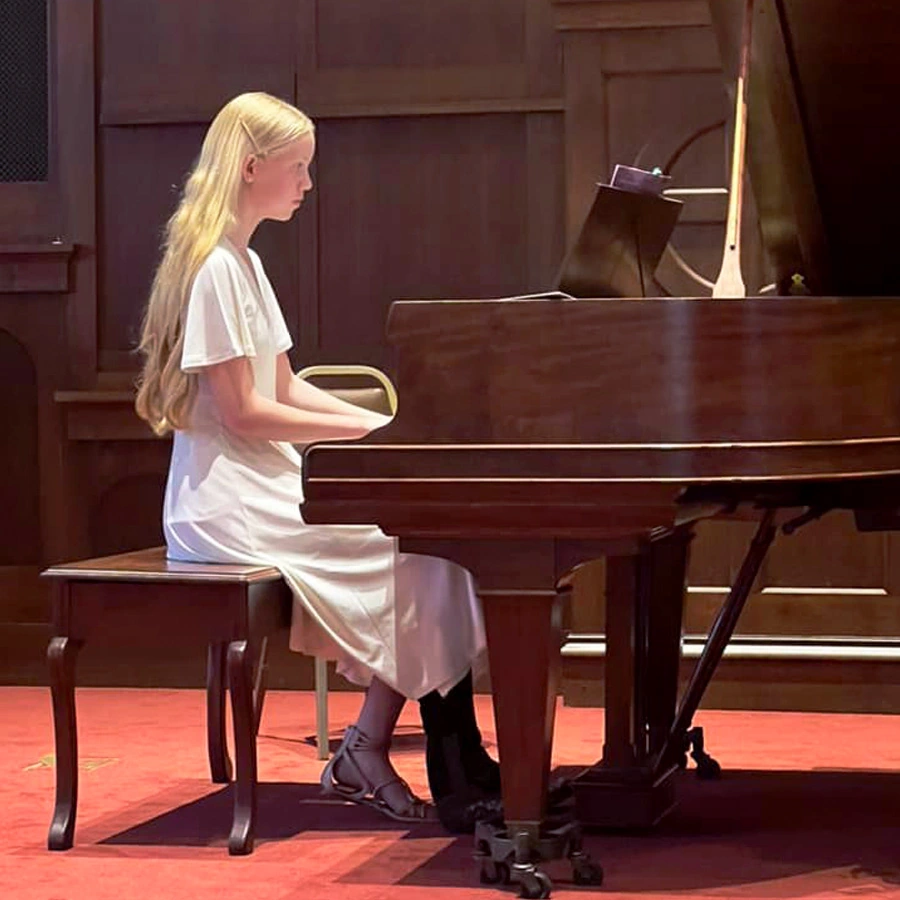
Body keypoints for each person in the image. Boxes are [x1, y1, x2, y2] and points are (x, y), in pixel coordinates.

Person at [134, 91, 500, 832]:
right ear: (250, 167)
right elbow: (244, 413)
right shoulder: (212, 269)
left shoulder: (244, 262)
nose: (306, 183)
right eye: (297, 167)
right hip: (225, 502)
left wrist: (390, 425)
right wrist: (373, 439)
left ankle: (405, 751)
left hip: (261, 480)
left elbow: (287, 385)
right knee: (420, 551)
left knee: (431, 548)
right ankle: (436, 758)